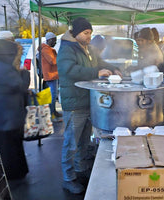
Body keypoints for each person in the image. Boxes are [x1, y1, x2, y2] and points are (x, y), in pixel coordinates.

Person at [57, 17, 122, 194]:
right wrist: (96, 72)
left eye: (90, 33)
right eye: (86, 33)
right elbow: (68, 71)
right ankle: (68, 178)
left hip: (88, 101)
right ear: (76, 32)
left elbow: (100, 63)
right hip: (75, 103)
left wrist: (114, 68)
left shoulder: (87, 48)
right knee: (71, 143)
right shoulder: (67, 49)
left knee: (84, 140)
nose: (89, 36)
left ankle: (81, 169)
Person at [0, 31, 29, 179]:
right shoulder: (5, 69)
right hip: (8, 116)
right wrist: (25, 74)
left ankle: (12, 174)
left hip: (3, 116)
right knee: (11, 149)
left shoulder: (0, 65)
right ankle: (13, 176)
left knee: (6, 148)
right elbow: (19, 86)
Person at [40, 32, 62, 121]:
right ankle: (52, 115)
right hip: (50, 75)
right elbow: (52, 61)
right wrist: (60, 57)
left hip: (53, 75)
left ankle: (54, 111)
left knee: (54, 95)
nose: (55, 43)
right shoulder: (46, 50)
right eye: (54, 41)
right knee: (52, 96)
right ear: (49, 40)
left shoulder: (49, 49)